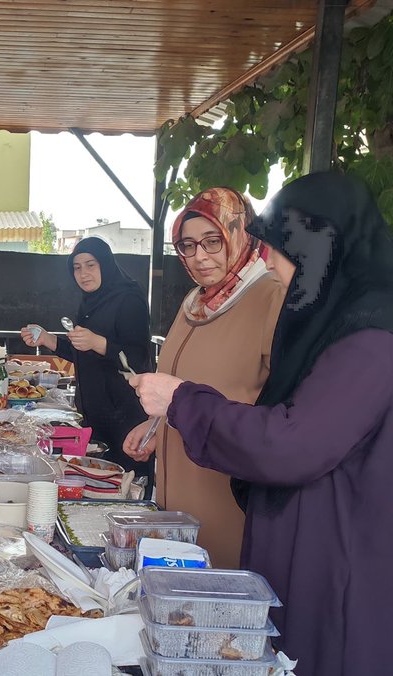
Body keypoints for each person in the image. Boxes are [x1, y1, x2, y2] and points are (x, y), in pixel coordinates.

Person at [129, 172, 393, 676]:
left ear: (319, 250)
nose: (273, 269)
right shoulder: (363, 326)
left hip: (360, 586)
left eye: (280, 254)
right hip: (348, 563)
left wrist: (183, 401)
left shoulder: (377, 345)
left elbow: (293, 444)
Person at [121, 188, 283, 569]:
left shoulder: (270, 299)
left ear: (240, 234)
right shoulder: (195, 302)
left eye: (213, 241)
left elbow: (280, 414)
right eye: (188, 245)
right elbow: (184, 387)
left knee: (218, 585)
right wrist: (156, 427)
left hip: (227, 497)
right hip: (176, 498)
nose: (199, 256)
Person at [21, 237, 151, 476]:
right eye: (77, 267)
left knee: (127, 484)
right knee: (96, 482)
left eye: (91, 265)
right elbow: (84, 353)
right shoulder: (90, 302)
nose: (83, 273)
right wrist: (48, 339)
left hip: (126, 416)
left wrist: (100, 343)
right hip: (95, 414)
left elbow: (138, 358)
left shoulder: (129, 300)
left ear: (105, 264)